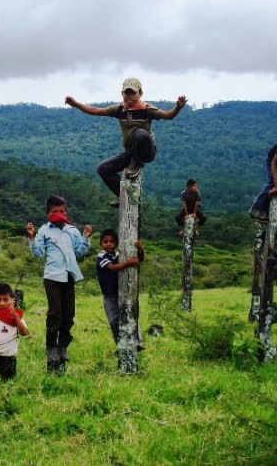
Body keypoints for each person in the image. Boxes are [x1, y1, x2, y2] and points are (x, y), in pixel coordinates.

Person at [65, 78, 187, 207]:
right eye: (126, 93)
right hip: (130, 152)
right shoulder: (119, 109)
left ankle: (137, 162)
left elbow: (168, 115)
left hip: (146, 151)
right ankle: (123, 196)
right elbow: (95, 110)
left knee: (140, 134)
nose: (129, 96)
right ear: (122, 94)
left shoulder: (147, 109)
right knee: (103, 168)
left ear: (140, 93)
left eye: (132, 93)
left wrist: (178, 107)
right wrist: (76, 104)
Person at [25, 195, 92, 371]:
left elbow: (79, 251)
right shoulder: (44, 231)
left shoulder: (73, 231)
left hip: (69, 275)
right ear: (48, 214)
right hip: (52, 276)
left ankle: (63, 345)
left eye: (61, 211)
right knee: (55, 312)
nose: (59, 214)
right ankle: (51, 347)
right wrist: (31, 238)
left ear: (66, 211)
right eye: (54, 211)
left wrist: (86, 238)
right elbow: (38, 253)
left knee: (69, 313)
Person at [96, 229, 145, 349]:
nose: (108, 244)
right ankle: (120, 344)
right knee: (113, 320)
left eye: (112, 242)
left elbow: (139, 260)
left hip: (122, 292)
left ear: (117, 243)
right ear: (101, 244)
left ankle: (138, 341)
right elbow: (112, 268)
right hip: (109, 295)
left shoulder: (120, 255)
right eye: (105, 241)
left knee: (130, 314)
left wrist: (140, 249)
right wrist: (129, 263)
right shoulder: (101, 256)